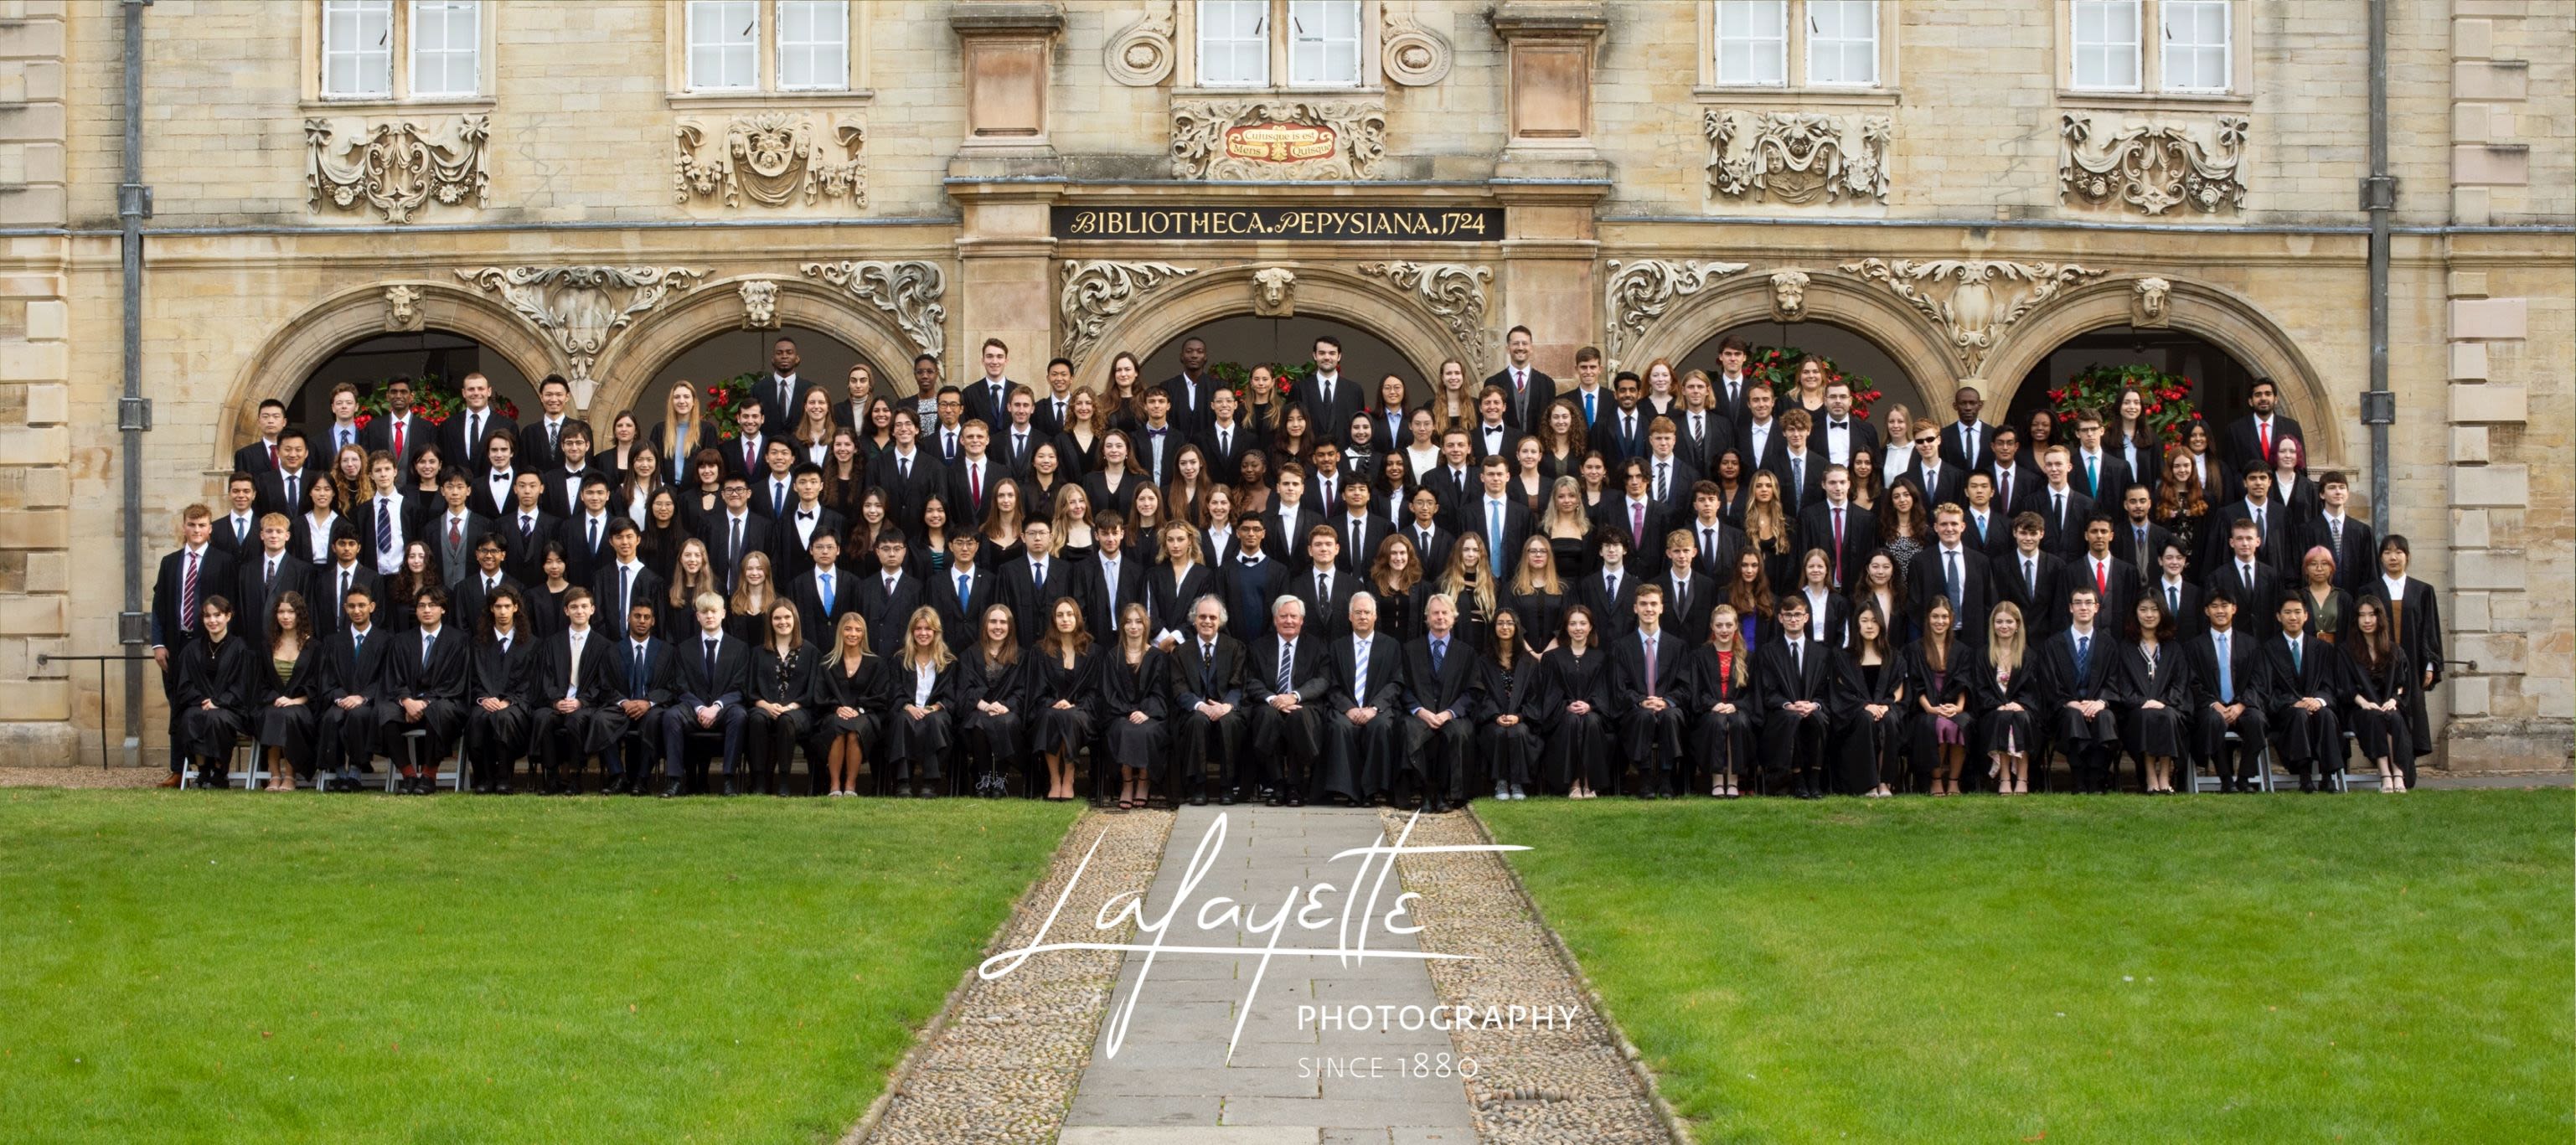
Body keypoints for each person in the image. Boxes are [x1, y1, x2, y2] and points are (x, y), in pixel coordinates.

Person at [152, 506, 239, 783]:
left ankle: (214, 768)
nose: (197, 530)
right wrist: (158, 643)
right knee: (179, 704)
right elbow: (158, 606)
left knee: (210, 704)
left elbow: (230, 605)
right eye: (192, 524)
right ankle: (179, 769)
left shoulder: (223, 561)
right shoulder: (170, 562)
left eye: (202, 525)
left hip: (210, 644)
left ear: (210, 528)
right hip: (176, 645)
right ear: (183, 527)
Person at [2358, 535, 2440, 788]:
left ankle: (2405, 769)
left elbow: (2430, 629)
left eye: (2399, 552)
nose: (2393, 557)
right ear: (2380, 557)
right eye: (2387, 552)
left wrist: (2430, 664)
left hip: (2413, 664)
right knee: (2384, 711)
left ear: (2407, 556)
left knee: (2409, 710)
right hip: (2379, 666)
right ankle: (2386, 768)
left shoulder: (2422, 590)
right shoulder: (2369, 591)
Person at [529, 587, 623, 794]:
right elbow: (546, 677)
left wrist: (581, 701)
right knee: (542, 718)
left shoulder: (604, 646)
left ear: (592, 609)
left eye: (583, 606)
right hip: (558, 703)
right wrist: (556, 700)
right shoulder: (552, 643)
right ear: (566, 611)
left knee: (576, 720)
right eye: (574, 607)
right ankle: (551, 777)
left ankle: (574, 777)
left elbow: (604, 684)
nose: (579, 611)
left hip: (587, 705)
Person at [378, 585, 470, 794]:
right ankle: (409, 775)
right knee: (384, 712)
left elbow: (455, 682)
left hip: (443, 702)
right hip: (408, 703)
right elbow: (394, 677)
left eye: (432, 605)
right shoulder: (401, 641)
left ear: (443, 609)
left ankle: (429, 775)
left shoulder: (458, 641)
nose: (427, 610)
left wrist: (426, 703)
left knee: (439, 711)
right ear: (416, 611)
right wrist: (406, 701)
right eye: (421, 606)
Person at [660, 591, 751, 797]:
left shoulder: (739, 649)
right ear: (698, 616)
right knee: (671, 715)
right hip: (694, 709)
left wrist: (717, 706)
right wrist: (700, 708)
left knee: (740, 715)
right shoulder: (684, 649)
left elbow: (741, 686)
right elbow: (680, 685)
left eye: (714, 611)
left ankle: (728, 780)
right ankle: (674, 780)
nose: (709, 616)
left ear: (723, 614)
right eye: (704, 612)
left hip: (725, 708)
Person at [1245, 595, 1329, 807]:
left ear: (1302, 620)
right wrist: (1273, 698)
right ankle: (1277, 784)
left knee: (1297, 716)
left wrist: (1294, 696)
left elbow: (1322, 680)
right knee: (1267, 716)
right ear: (1275, 620)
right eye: (1283, 616)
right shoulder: (1258, 647)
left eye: (1294, 616)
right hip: (1269, 704)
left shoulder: (1317, 646)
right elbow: (1250, 680)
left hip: (1304, 704)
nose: (1288, 621)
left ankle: (1295, 785)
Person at [2038, 585, 2122, 793]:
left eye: (2088, 603)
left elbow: (2114, 679)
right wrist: (2070, 702)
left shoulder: (2108, 644)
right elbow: (2049, 682)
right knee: (2072, 717)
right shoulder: (2054, 645)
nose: (2083, 607)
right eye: (2078, 603)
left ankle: (2096, 779)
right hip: (2066, 707)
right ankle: (2079, 780)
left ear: (2096, 608)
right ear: (2070, 608)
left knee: (2106, 718)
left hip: (2098, 705)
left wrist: (2100, 702)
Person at [1399, 593, 1477, 813]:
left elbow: (1472, 691)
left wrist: (1449, 713)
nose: (1440, 617)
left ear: (1454, 618)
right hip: (1420, 713)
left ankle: (1444, 793)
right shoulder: (1410, 649)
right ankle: (1424, 792)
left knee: (1458, 732)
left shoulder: (1466, 653)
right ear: (1427, 618)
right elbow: (1402, 686)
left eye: (1445, 613)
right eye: (1435, 613)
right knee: (1409, 729)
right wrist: (1420, 711)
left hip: (1452, 715)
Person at [2186, 591, 2269, 793]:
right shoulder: (2194, 646)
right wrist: (2215, 705)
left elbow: (2258, 680)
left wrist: (2241, 705)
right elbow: (2192, 682)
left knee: (2257, 720)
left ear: (2234, 609)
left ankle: (2244, 778)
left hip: (2243, 704)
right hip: (2211, 706)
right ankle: (2225, 779)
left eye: (2225, 605)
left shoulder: (2250, 644)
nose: (2220, 610)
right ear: (2206, 611)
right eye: (2214, 606)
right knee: (2213, 721)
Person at [1757, 594, 1837, 799]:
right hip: (1781, 713)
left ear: (1806, 618)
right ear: (1780, 618)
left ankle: (1814, 780)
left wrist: (1814, 705)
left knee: (1818, 719)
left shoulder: (1821, 653)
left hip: (1814, 710)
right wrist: (1788, 705)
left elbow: (1826, 691)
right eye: (1788, 615)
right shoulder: (1768, 652)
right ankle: (1798, 779)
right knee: (1792, 720)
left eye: (1798, 615)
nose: (1793, 619)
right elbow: (1768, 690)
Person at [172, 594, 256, 787]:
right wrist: (203, 700)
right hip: (199, 703)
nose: (212, 621)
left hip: (232, 708)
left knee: (217, 718)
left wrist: (219, 701)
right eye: (207, 616)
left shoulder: (240, 648)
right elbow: (184, 684)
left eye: (217, 615)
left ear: (228, 616)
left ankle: (220, 770)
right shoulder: (192, 649)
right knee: (190, 717)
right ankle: (203, 770)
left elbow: (243, 685)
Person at [1170, 595, 1247, 805]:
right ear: (1194, 620)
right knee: (1197, 720)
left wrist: (1226, 706)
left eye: (1212, 617)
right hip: (1195, 712)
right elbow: (1179, 687)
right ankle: (1198, 787)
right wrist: (1201, 706)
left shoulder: (1235, 648)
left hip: (1226, 709)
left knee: (1229, 721)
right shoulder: (1181, 651)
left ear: (1220, 621)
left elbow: (1238, 684)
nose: (1207, 621)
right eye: (1202, 616)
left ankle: (1227, 787)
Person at [462, 583, 538, 793]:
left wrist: (508, 701)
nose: (503, 612)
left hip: (516, 704)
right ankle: (483, 779)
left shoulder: (531, 644)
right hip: (485, 700)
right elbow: (473, 679)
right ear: (491, 609)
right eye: (498, 607)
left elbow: (531, 682)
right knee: (479, 717)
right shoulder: (478, 643)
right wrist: (483, 699)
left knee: (503, 717)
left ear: (516, 608)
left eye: (507, 606)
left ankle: (504, 777)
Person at [2265, 595, 2343, 792]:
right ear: (2278, 616)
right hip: (2286, 713)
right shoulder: (2268, 649)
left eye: (2298, 612)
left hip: (2317, 708)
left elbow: (2330, 686)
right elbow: (2267, 689)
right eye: (2288, 612)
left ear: (2306, 616)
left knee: (2326, 714)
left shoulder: (2322, 648)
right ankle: (2305, 777)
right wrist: (2294, 703)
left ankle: (2328, 777)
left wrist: (2318, 701)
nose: (2293, 617)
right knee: (2299, 715)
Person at [2115, 593, 2189, 796]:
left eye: (2154, 610)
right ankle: (2150, 776)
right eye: (2143, 609)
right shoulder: (2125, 648)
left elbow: (2180, 683)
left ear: (2162, 613)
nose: (2149, 615)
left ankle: (2165, 775)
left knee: (2167, 716)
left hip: (2169, 707)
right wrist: (2144, 702)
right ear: (2135, 614)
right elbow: (2123, 686)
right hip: (2136, 710)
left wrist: (2164, 702)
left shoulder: (2173, 648)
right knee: (2147, 716)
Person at [1025, 598, 1097, 802]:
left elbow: (1095, 692)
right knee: (1052, 716)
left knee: (1069, 717)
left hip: (1082, 712)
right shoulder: (1040, 651)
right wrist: (1054, 703)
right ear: (1053, 620)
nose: (1065, 619)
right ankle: (1055, 779)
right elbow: (1036, 688)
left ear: (1077, 618)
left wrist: (1074, 705)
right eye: (1060, 615)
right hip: (1049, 708)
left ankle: (1069, 777)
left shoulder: (1092, 651)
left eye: (1069, 614)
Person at [2341, 596, 2413, 794]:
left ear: (2380, 617)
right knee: (2375, 717)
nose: (2367, 620)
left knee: (2394, 718)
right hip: (2359, 709)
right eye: (2362, 615)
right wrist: (2364, 703)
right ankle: (2385, 775)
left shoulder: (2394, 650)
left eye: (2372, 615)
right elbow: (2345, 686)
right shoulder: (2346, 651)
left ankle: (2398, 773)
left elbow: (2402, 683)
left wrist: (2393, 700)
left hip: (2387, 705)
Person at [1100, 602, 1168, 810]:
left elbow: (1161, 692)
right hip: (1120, 713)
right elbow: (1108, 692)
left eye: (1138, 622)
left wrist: (1145, 712)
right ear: (1122, 626)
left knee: (1145, 731)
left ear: (1145, 625)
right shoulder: (1113, 656)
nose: (1133, 626)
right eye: (1128, 622)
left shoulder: (1157, 657)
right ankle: (1127, 783)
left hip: (1151, 715)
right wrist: (1129, 711)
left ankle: (1144, 781)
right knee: (1124, 729)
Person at [254, 591, 324, 790]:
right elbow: (261, 682)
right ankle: (275, 775)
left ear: (299, 614)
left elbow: (317, 683)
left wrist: (295, 701)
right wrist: (277, 698)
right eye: (281, 612)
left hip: (303, 706)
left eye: (291, 612)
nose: (285, 617)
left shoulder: (314, 647)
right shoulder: (267, 645)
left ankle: (290, 776)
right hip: (272, 702)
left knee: (289, 716)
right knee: (274, 714)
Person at [746, 600, 817, 797]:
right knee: (757, 718)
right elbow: (751, 691)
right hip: (765, 707)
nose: (782, 621)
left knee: (786, 720)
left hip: (799, 710)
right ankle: (760, 780)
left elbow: (812, 691)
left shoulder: (810, 651)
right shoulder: (759, 652)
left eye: (787, 617)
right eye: (777, 618)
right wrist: (767, 706)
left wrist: (791, 707)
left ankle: (784, 781)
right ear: (770, 622)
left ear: (795, 620)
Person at [606, 601, 678, 796]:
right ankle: (618, 776)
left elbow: (672, 686)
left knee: (655, 719)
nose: (642, 621)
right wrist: (624, 702)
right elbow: (605, 685)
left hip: (652, 707)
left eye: (647, 617)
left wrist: (649, 702)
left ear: (653, 621)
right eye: (637, 616)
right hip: (622, 707)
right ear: (628, 619)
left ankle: (642, 779)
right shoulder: (613, 650)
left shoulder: (666, 651)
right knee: (601, 720)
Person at [1907, 596, 1976, 797]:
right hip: (1925, 708)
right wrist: (1929, 708)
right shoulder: (1915, 650)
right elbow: (1915, 684)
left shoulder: (1962, 650)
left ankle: (1953, 781)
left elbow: (1965, 683)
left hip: (1954, 707)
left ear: (1951, 618)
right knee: (1937, 724)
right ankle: (1936, 780)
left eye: (1944, 617)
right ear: (1928, 619)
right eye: (1935, 616)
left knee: (1961, 723)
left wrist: (1959, 707)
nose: (1940, 621)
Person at [1685, 603, 1757, 798]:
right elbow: (1695, 689)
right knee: (1717, 722)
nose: (1724, 630)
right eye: (1719, 625)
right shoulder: (1699, 656)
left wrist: (1736, 705)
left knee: (1737, 722)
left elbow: (1753, 694)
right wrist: (1712, 704)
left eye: (1728, 625)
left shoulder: (1748, 657)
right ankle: (1717, 781)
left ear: (1735, 626)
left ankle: (1733, 781)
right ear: (1712, 627)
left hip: (1738, 710)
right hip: (1708, 711)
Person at [956, 604, 1028, 797]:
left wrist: (1005, 706)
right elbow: (965, 690)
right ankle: (984, 776)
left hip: (1008, 712)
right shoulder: (970, 655)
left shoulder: (1021, 656)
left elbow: (1022, 690)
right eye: (993, 621)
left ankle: (1001, 778)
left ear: (1010, 626)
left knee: (1005, 722)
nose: (998, 626)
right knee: (979, 723)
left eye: (1003, 622)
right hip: (977, 709)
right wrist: (986, 706)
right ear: (985, 625)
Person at [812, 612, 884, 797]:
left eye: (858, 630)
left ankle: (850, 786)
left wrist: (858, 709)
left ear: (864, 634)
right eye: (848, 629)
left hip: (866, 714)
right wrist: (837, 708)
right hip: (832, 713)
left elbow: (881, 697)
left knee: (855, 730)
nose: (853, 634)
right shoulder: (827, 663)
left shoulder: (876, 663)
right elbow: (820, 696)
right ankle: (835, 786)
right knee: (837, 727)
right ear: (840, 632)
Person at [1977, 601, 2039, 795]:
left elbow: (2034, 690)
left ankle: (2022, 778)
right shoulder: (1983, 655)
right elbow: (1980, 689)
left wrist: (2020, 705)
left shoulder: (2029, 656)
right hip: (1992, 712)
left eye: (2009, 622)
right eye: (1999, 622)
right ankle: (2004, 778)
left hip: (2023, 710)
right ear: (1993, 625)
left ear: (2018, 625)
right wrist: (1999, 705)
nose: (2004, 626)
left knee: (2021, 719)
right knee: (2003, 718)